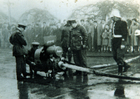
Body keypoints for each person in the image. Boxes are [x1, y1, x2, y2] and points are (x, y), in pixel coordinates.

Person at [110, 9, 130, 75]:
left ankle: (120, 71)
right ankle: (126, 65)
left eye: (113, 17)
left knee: (119, 56)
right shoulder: (114, 23)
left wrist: (123, 43)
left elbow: (125, 33)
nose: (112, 18)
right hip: (114, 41)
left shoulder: (123, 23)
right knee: (114, 56)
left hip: (120, 40)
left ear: (116, 17)